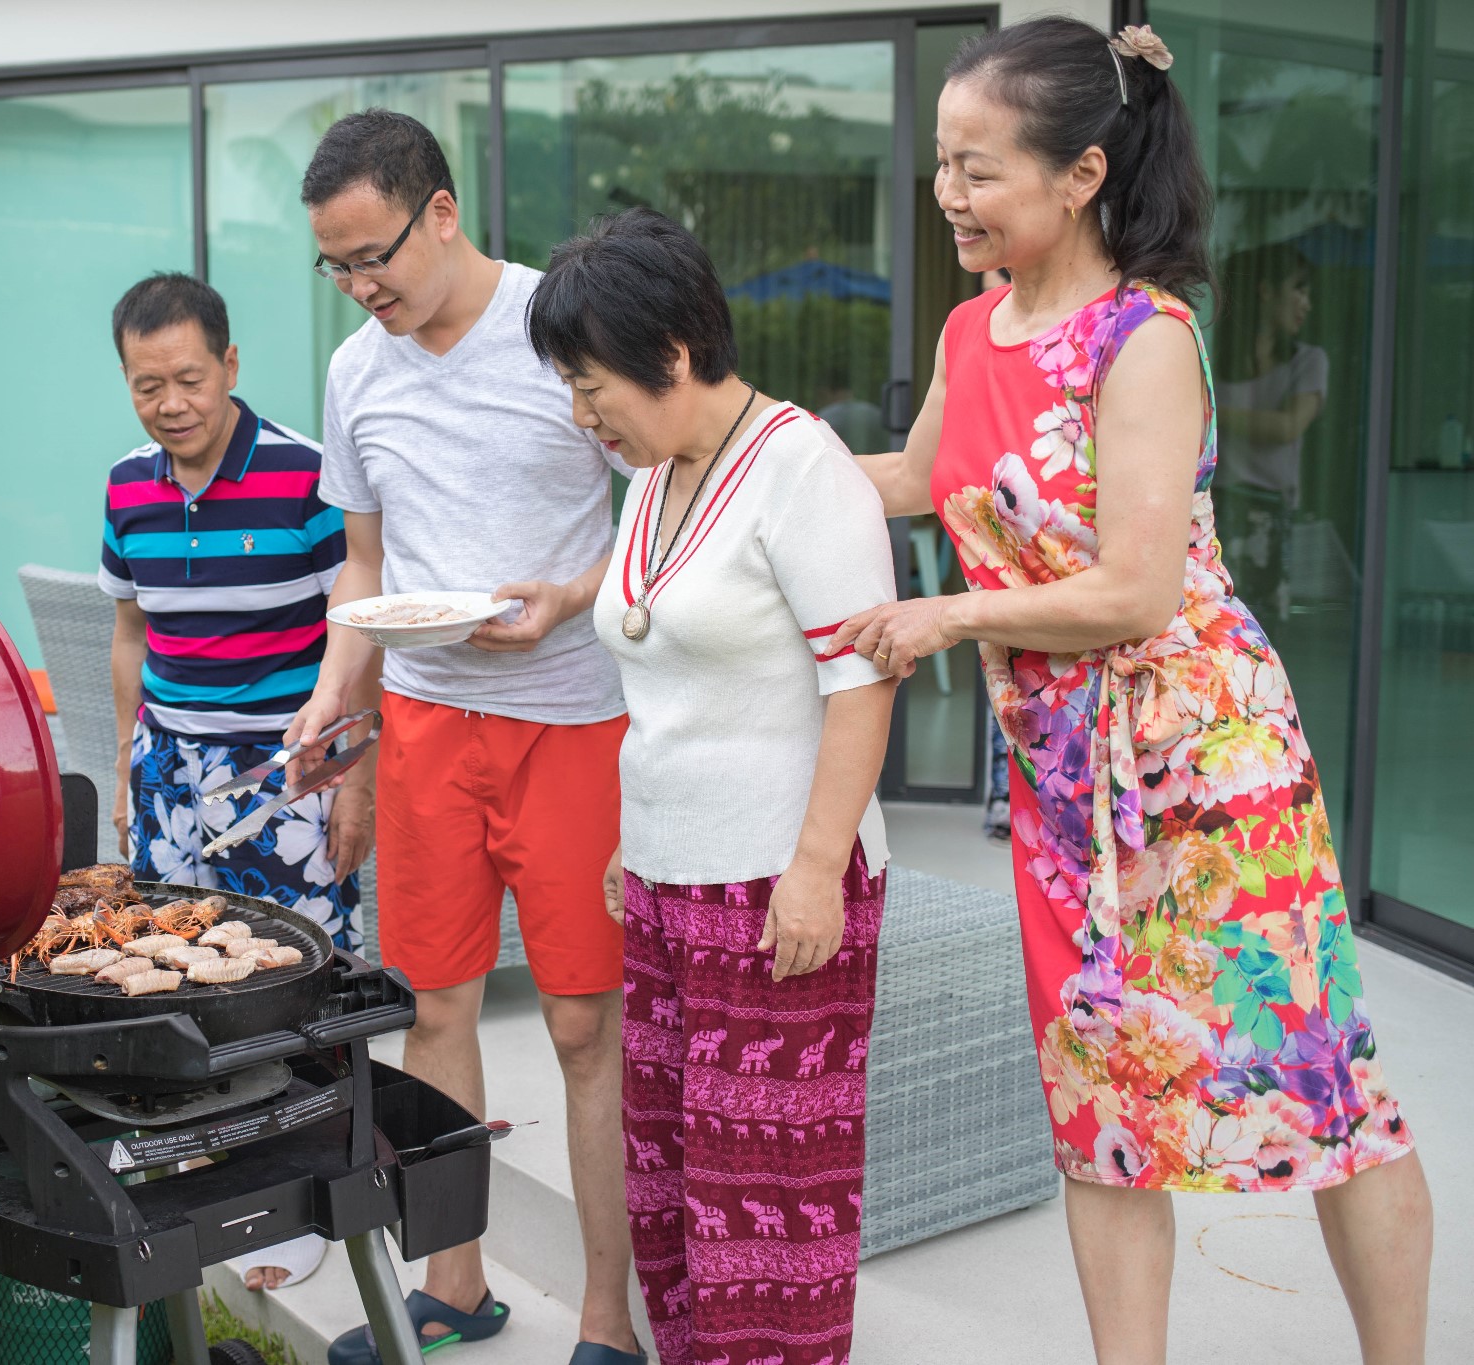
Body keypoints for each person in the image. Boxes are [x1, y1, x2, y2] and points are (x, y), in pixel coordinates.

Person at [843, 19, 1431, 1364]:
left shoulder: (1147, 338)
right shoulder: (971, 329)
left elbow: (1136, 592)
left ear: (1082, 174)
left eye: (977, 168)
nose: (949, 195)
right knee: (1098, 1103)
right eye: (944, 164)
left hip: (1207, 765)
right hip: (1067, 783)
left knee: (1322, 1084)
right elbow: (910, 478)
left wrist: (949, 612)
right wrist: (730, 457)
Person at [282, 110, 644, 1365]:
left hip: (571, 723)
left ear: (441, 211)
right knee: (432, 1007)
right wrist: (340, 694)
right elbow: (365, 564)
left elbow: (664, 505)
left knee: (583, 1024)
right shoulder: (355, 370)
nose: (360, 286)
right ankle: (451, 1282)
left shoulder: (564, 329)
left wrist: (569, 598)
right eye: (334, 266)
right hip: (427, 724)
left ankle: (609, 1316)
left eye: (372, 255)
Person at [528, 207, 898, 1365]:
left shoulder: (799, 467)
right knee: (671, 1173)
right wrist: (633, 838)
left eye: (594, 388)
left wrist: (813, 871)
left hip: (776, 886)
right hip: (665, 878)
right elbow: (665, 679)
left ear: (674, 356)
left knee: (767, 1204)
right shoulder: (653, 475)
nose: (582, 416)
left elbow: (861, 682)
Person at [101, 271, 374, 1292]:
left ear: (228, 365)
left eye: (185, 378)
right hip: (169, 767)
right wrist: (127, 763)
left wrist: (355, 779)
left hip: (285, 769)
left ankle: (295, 1202)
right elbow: (131, 630)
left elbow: (356, 636)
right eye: (143, 385)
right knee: (174, 979)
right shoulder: (126, 483)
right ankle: (193, 1173)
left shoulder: (307, 477)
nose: (169, 403)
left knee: (294, 991)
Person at [1212, 241, 1328, 620]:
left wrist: (1208, 410)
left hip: (1270, 514)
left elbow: (1287, 426)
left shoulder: (1309, 361)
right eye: (1299, 288)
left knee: (1265, 630)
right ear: (1265, 291)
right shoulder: (1211, 355)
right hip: (1212, 509)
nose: (1307, 304)